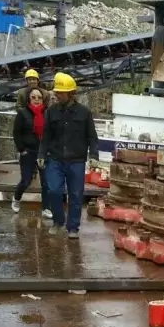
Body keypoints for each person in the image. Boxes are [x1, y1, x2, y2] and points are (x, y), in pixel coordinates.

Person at [38, 72, 99, 238]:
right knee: (54, 190)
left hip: (76, 160)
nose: (57, 95)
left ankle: (73, 228)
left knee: (75, 194)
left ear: (71, 93)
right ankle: (58, 221)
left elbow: (91, 136)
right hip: (55, 158)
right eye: (57, 92)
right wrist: (41, 154)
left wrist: (94, 155)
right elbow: (46, 136)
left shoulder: (84, 113)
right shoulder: (51, 112)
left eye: (61, 92)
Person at [11, 86, 52, 218]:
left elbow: (51, 132)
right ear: (29, 99)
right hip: (28, 151)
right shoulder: (22, 113)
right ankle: (16, 198)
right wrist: (21, 150)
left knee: (46, 181)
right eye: (33, 97)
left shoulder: (47, 113)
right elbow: (16, 133)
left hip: (43, 152)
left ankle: (46, 208)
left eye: (39, 97)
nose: (36, 99)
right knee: (26, 180)